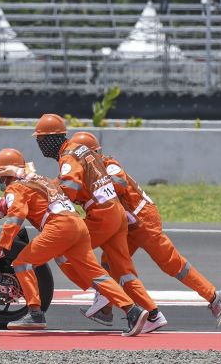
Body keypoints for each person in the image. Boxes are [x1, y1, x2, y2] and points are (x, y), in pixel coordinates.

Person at [0, 148, 149, 336]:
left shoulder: (15, 187)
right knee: (97, 275)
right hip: (78, 225)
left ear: (6, 174)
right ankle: (133, 310)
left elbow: (16, 216)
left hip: (58, 227)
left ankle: (35, 313)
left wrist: (1, 248)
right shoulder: (39, 179)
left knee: (21, 264)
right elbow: (27, 201)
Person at [70, 131, 221, 328]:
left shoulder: (109, 165)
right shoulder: (94, 172)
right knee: (111, 260)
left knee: (171, 263)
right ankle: (106, 309)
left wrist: (95, 187)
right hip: (129, 222)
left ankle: (212, 295)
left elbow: (118, 184)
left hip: (142, 220)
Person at [32, 114, 166, 334]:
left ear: (51, 139)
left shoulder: (68, 156)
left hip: (102, 217)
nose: (39, 145)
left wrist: (53, 201)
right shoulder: (80, 154)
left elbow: (70, 187)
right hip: (116, 215)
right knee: (123, 271)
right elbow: (65, 183)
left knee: (63, 251)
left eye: (40, 140)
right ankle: (152, 314)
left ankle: (102, 290)